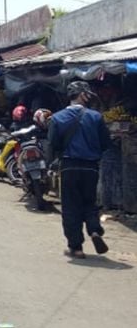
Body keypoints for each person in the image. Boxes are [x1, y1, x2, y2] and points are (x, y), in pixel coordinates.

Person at [47, 81, 111, 259]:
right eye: (87, 94)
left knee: (71, 207)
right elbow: (106, 142)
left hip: (69, 167)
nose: (89, 97)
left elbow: (53, 144)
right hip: (91, 167)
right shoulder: (96, 117)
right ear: (82, 95)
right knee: (89, 203)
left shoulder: (57, 118)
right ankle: (94, 231)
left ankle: (76, 248)